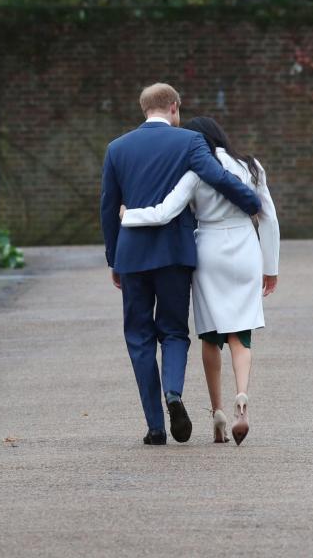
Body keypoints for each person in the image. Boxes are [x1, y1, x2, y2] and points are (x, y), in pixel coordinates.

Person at [100, 84, 261, 446]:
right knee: (173, 331)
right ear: (174, 107)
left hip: (132, 254)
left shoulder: (117, 148)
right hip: (173, 252)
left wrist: (114, 258)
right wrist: (250, 200)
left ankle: (155, 427)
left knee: (139, 337)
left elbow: (109, 208)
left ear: (144, 109)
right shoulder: (188, 141)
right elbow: (216, 177)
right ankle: (173, 392)